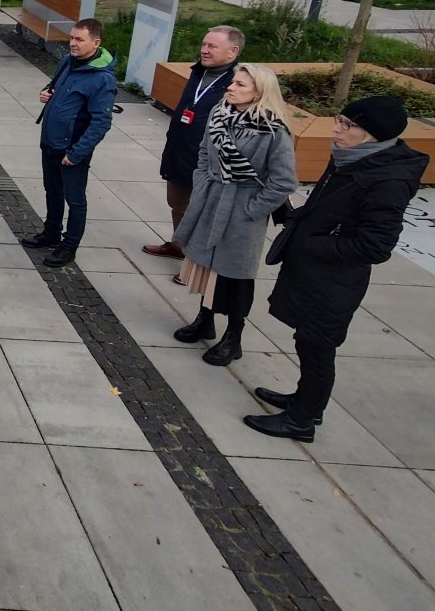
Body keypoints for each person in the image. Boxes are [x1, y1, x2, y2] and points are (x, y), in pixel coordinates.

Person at [246, 96, 428, 442]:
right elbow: (330, 210)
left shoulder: (386, 180)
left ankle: (301, 421)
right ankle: (305, 402)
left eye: (347, 125)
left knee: (317, 347)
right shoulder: (352, 158)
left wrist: (314, 243)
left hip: (333, 281)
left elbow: (375, 246)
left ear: (372, 135)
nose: (336, 128)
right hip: (315, 274)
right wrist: (295, 218)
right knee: (307, 341)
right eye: (339, 120)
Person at [172, 64, 297, 366]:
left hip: (242, 210)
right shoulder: (220, 113)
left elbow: (283, 182)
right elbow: (204, 151)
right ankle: (205, 318)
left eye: (240, 85)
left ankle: (234, 337)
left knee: (235, 274)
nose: (231, 88)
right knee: (206, 265)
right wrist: (203, 181)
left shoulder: (273, 131)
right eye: (233, 83)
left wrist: (250, 210)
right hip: (211, 200)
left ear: (259, 93)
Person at [143, 27, 243, 279]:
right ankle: (179, 245)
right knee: (177, 204)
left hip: (208, 162)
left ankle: (198, 265)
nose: (204, 50)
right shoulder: (198, 72)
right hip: (180, 150)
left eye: (212, 47)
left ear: (233, 51)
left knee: (201, 212)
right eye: (203, 44)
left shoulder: (238, 82)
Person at [19, 18, 117, 267]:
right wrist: (46, 92)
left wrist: (77, 153)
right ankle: (51, 232)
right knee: (52, 190)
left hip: (71, 150)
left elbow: (101, 122)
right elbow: (55, 88)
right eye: (72, 38)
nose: (72, 43)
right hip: (50, 142)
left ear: (96, 43)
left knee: (75, 200)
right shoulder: (67, 62)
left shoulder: (102, 79)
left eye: (79, 39)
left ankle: (69, 246)